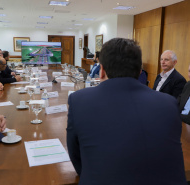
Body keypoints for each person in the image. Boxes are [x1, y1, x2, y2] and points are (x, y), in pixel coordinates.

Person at [67, 38, 187, 185]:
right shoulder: (169, 103)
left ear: (102, 70)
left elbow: (76, 157)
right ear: (139, 71)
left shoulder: (79, 100)